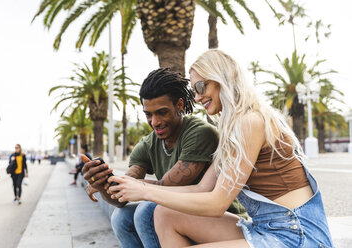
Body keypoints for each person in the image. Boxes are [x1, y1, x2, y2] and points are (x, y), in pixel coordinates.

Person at [106, 50, 334, 248]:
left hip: (298, 236)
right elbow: (201, 190)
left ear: (222, 79)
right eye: (194, 90)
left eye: (200, 86)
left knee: (158, 209)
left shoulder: (251, 121)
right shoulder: (233, 129)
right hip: (266, 228)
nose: (196, 97)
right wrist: (134, 184)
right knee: (165, 214)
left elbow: (217, 203)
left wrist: (145, 192)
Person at [82, 68, 245, 248]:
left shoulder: (199, 133)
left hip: (220, 221)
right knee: (121, 218)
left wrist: (121, 183)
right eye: (148, 115)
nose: (155, 122)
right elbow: (121, 198)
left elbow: (169, 187)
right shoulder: (147, 145)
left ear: (180, 105)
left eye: (162, 112)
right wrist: (104, 184)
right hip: (175, 216)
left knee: (146, 211)